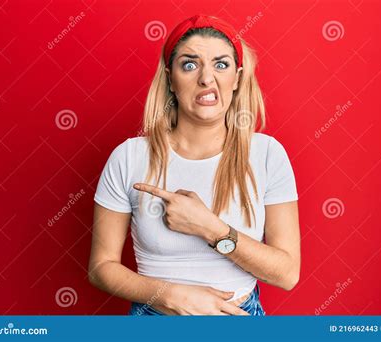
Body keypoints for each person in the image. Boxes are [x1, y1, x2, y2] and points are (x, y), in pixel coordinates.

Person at [88, 14, 300, 316]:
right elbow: (100, 267)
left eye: (221, 64)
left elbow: (287, 273)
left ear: (237, 79)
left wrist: (211, 229)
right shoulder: (129, 157)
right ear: (170, 79)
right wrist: (169, 295)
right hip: (154, 316)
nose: (206, 78)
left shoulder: (267, 154)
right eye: (189, 64)